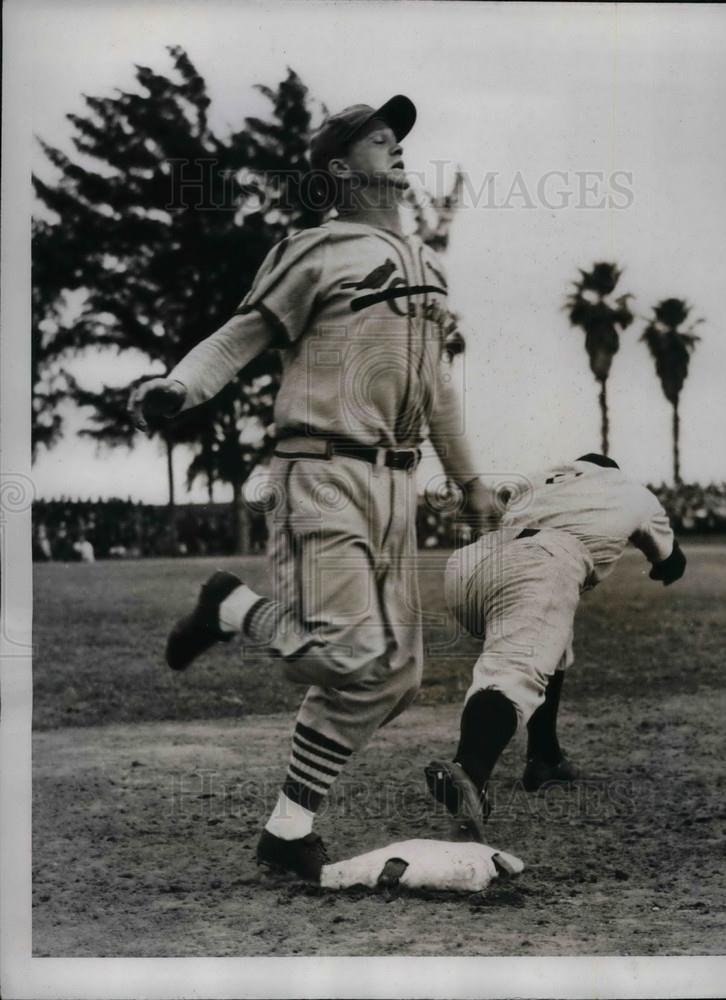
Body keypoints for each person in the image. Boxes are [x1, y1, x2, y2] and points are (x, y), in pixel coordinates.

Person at [129, 95, 497, 881]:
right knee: (349, 650)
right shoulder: (313, 250)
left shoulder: (427, 268)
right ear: (338, 168)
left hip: (397, 486)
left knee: (393, 676)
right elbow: (241, 336)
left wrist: (470, 483)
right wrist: (180, 386)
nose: (394, 144)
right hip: (321, 469)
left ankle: (288, 831)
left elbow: (436, 391)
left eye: (397, 135)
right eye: (375, 137)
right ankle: (231, 606)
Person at [425, 453, 687, 842]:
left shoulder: (538, 476)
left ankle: (545, 757)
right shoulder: (632, 492)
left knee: (554, 641)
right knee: (513, 674)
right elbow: (670, 563)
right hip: (540, 564)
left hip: (470, 566)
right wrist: (657, 560)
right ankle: (469, 773)